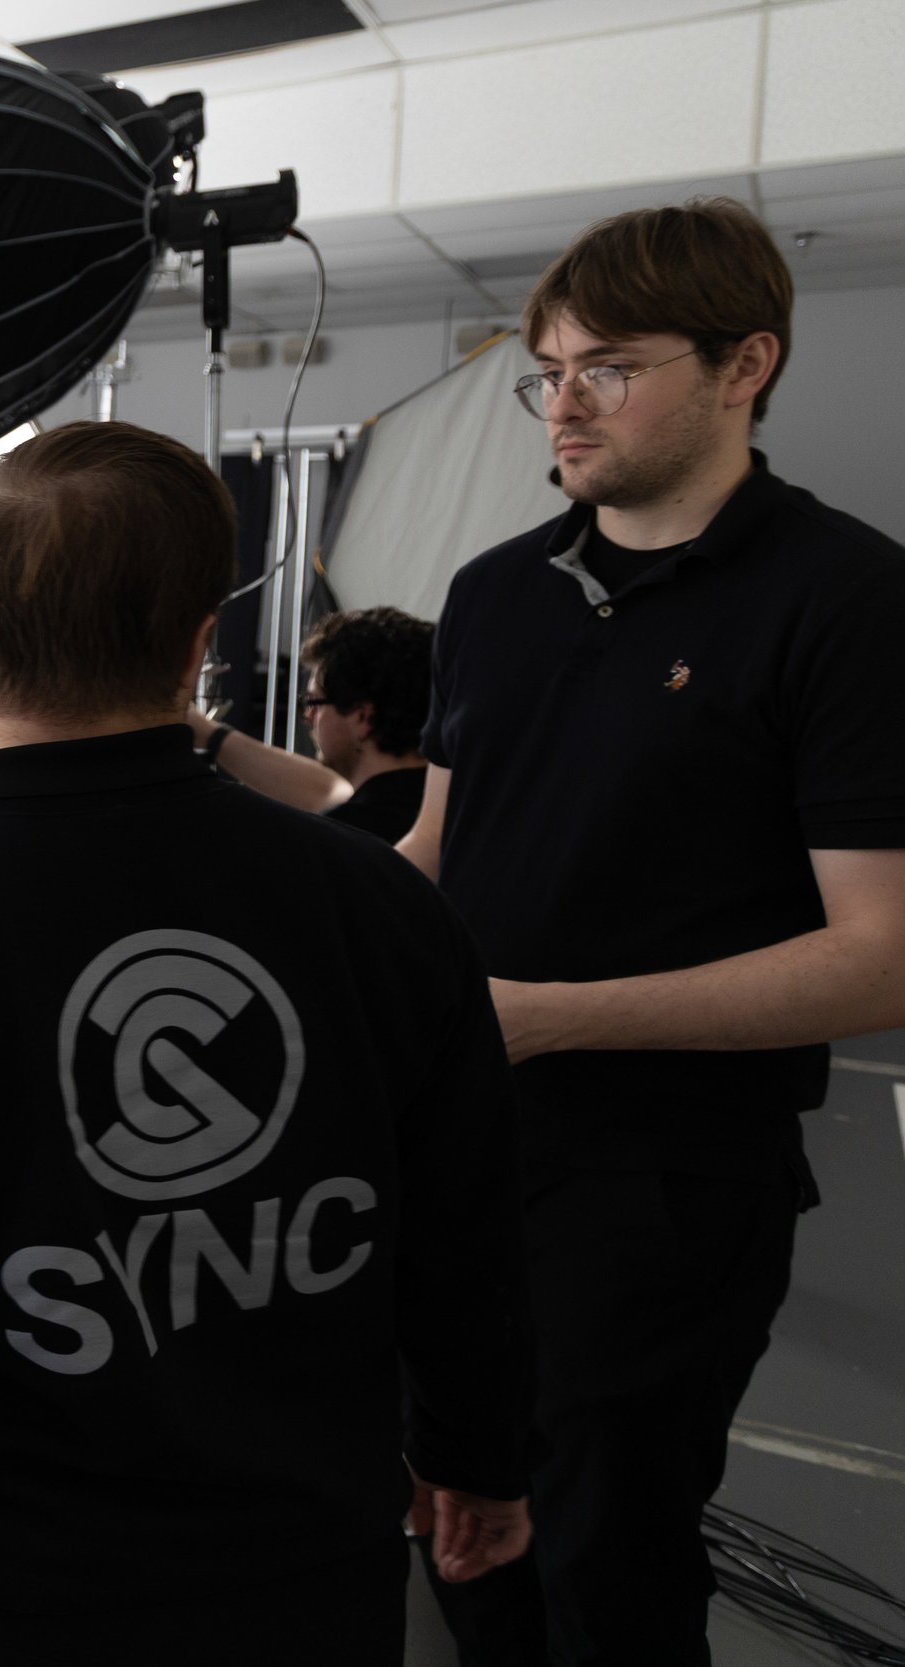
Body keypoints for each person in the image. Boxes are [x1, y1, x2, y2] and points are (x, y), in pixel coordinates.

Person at [0, 422, 533, 1665]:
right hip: (308, 1587)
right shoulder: (383, 908)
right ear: (202, 643)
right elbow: (465, 1237)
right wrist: (476, 1455)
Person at [400, 198, 905, 1665]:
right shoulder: (494, 594)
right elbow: (439, 846)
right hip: (458, 1152)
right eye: (546, 367)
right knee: (461, 1518)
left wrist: (548, 1014)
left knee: (606, 1555)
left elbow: (878, 953)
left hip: (662, 1187)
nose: (561, 402)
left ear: (747, 364)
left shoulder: (845, 599)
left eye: (607, 367)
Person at [188, 605, 435, 842]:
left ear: (363, 717)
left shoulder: (342, 838)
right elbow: (325, 791)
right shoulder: (445, 807)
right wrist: (208, 733)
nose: (308, 717)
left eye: (313, 701)